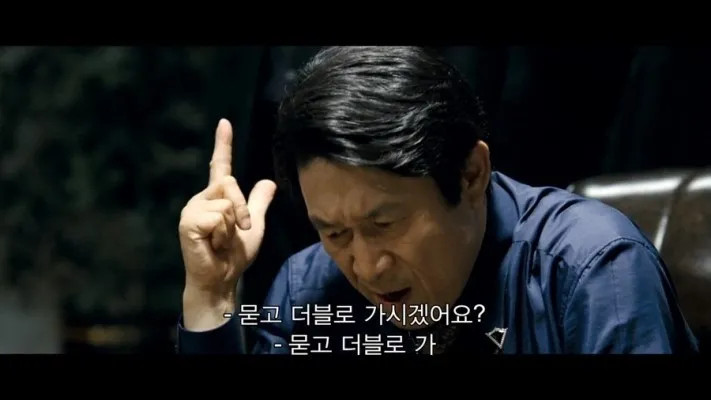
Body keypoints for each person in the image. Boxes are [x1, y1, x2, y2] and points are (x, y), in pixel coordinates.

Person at [175, 46, 699, 354]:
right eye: (334, 233)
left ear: (471, 174)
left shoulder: (591, 270)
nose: (367, 266)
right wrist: (211, 297)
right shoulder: (309, 289)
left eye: (384, 224)